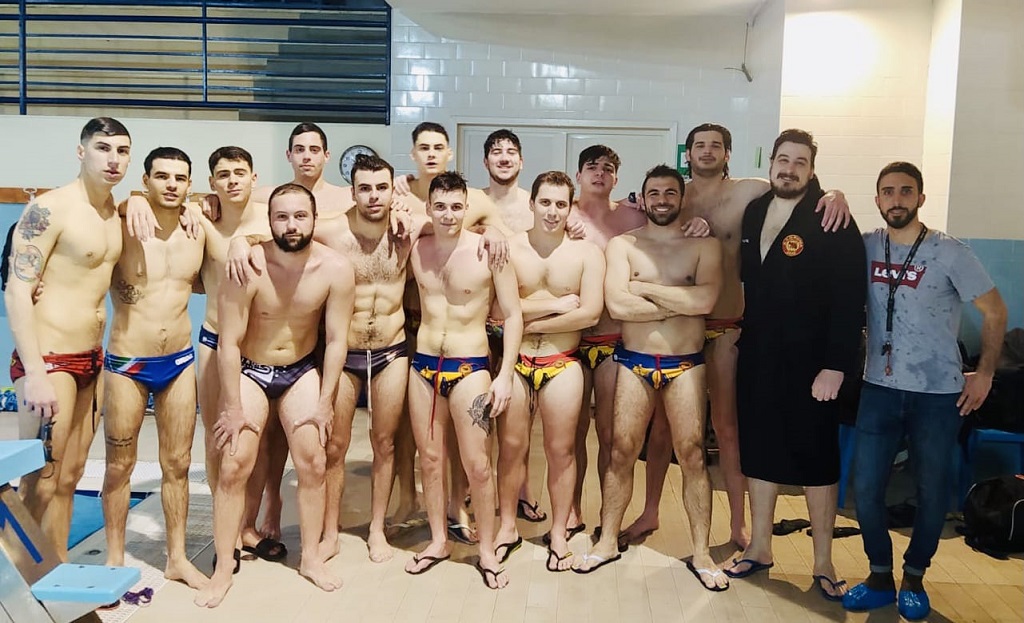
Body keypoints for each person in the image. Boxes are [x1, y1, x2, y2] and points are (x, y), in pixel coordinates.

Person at [621, 122, 852, 551]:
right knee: (661, 429)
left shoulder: (749, 191)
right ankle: (650, 511)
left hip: (727, 324)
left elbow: (798, 186)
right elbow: (628, 208)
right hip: (679, 326)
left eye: (716, 145)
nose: (707, 151)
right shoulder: (675, 194)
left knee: (727, 428)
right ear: (687, 153)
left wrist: (835, 193)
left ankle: (738, 525)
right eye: (699, 145)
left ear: (729, 154)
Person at [842, 162, 1007, 620]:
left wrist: (985, 374)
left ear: (920, 197)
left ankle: (914, 576)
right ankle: (879, 575)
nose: (896, 199)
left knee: (932, 489)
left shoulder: (949, 251)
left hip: (937, 395)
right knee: (865, 487)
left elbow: (995, 311)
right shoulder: (865, 246)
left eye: (905, 191)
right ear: (877, 199)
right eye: (887, 191)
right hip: (879, 388)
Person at [194, 183, 354, 608]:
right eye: (282, 217)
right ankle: (223, 568)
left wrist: (325, 401)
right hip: (251, 368)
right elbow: (229, 342)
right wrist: (231, 405)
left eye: (300, 216)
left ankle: (311, 558)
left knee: (313, 460)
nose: (291, 225)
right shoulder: (248, 265)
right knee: (234, 463)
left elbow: (336, 340)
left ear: (314, 219)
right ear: (269, 221)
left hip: (300, 370)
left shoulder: (336, 268)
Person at [724, 129, 866, 602]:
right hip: (761, 352)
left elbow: (850, 299)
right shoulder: (756, 210)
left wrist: (836, 365)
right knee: (760, 449)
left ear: (812, 169)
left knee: (816, 457)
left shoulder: (831, 216)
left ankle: (823, 561)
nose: (789, 169)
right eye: (783, 160)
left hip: (814, 363)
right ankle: (760, 547)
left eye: (799, 162)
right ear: (771, 164)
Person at [575, 165, 727, 592]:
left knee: (692, 454)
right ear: (642, 199)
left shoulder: (704, 245)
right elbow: (618, 306)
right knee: (621, 451)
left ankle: (701, 553)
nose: (662, 200)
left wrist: (645, 289)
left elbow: (706, 300)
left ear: (681, 197)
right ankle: (607, 540)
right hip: (633, 361)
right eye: (654, 193)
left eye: (670, 192)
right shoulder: (623, 245)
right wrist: (680, 302)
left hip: (685, 363)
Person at [6, 117, 131, 559]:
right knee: (40, 478)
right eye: (102, 148)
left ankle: (54, 567)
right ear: (81, 152)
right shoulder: (51, 208)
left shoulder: (115, 212)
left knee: (71, 475)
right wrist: (36, 373)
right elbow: (17, 290)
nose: (113, 159)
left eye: (122, 151)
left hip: (90, 358)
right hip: (50, 359)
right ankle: (14, 579)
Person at [404, 172, 522, 590]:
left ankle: (486, 550)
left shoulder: (489, 250)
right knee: (429, 459)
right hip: (423, 366)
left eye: (457, 207)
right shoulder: (416, 248)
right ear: (429, 208)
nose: (449, 215)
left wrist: (505, 375)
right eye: (440, 206)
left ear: (467, 209)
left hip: (470, 367)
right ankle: (439, 540)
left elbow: (513, 315)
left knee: (478, 466)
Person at [101, 147, 208, 590]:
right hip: (127, 362)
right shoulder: (122, 223)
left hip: (179, 360)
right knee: (118, 465)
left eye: (179, 178)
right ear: (145, 180)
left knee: (178, 464)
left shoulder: (198, 228)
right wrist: (130, 200)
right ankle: (114, 556)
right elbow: (100, 207)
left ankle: (176, 558)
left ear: (189, 184)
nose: (171, 184)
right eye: (161, 176)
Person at [494, 171, 604, 571]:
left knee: (561, 451)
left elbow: (590, 313)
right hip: (517, 360)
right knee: (511, 449)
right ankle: (507, 526)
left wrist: (524, 319)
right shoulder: (510, 249)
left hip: (563, 362)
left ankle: (558, 531)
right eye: (545, 202)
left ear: (570, 207)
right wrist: (555, 307)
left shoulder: (587, 254)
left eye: (560, 204)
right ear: (532, 203)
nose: (552, 212)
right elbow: (498, 310)